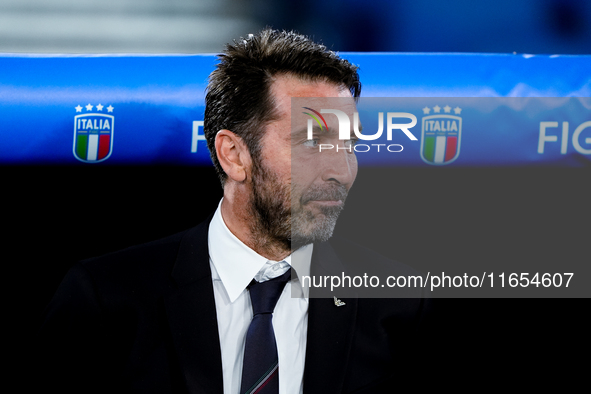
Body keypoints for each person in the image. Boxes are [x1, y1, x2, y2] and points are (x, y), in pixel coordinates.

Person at [37, 29, 430, 394]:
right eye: (313, 143)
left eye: (349, 145)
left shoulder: (400, 305)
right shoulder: (106, 299)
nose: (342, 171)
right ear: (234, 154)